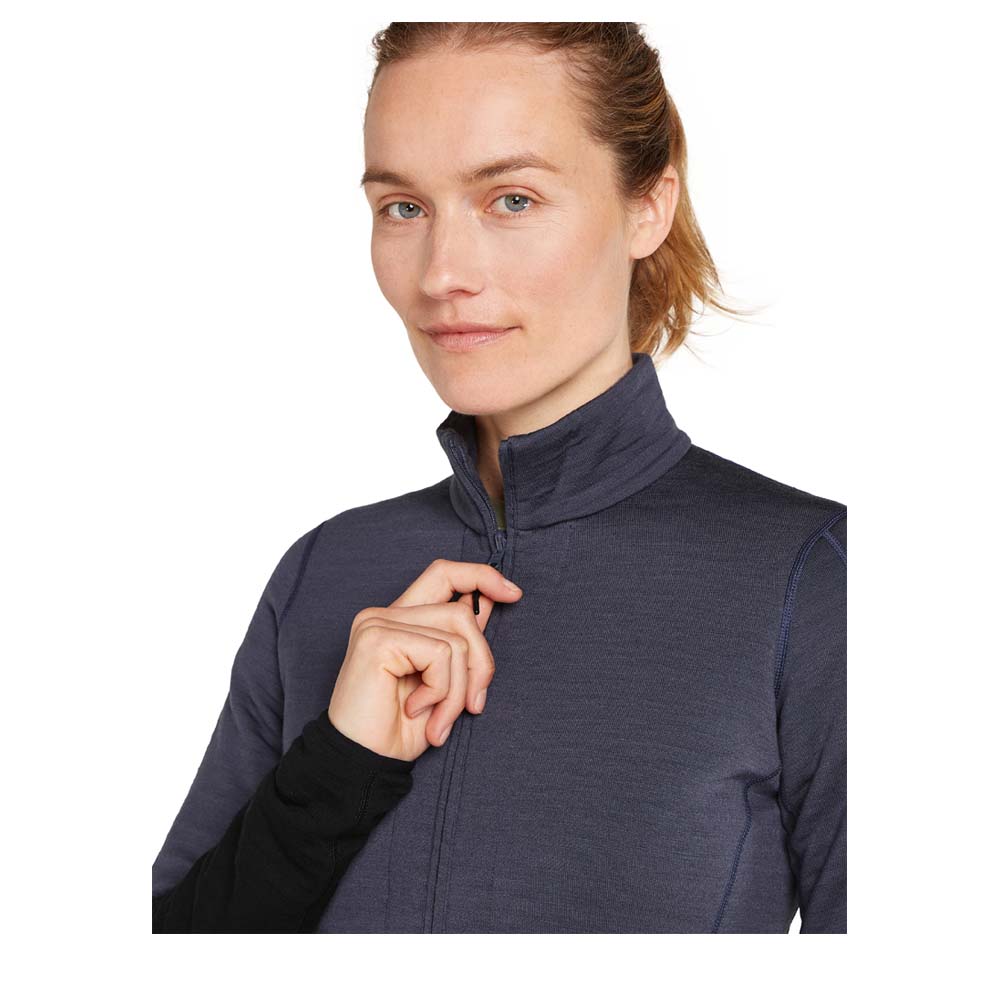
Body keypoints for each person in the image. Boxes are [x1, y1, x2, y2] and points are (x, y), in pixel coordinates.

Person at [152, 22, 846, 934]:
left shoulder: (811, 578)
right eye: (403, 207)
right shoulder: (323, 572)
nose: (442, 274)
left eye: (511, 200)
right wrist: (339, 764)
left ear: (648, 206)